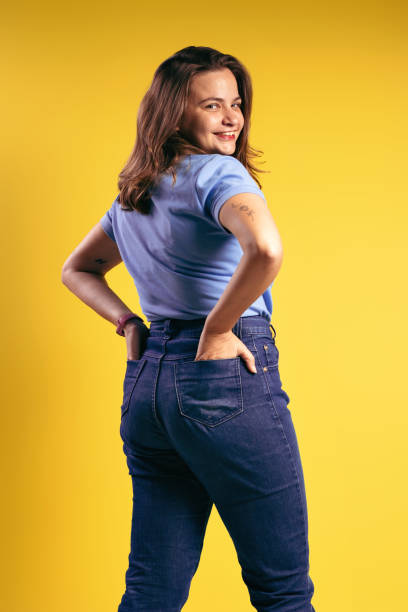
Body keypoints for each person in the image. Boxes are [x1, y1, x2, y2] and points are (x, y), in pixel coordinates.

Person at [61, 45, 316, 612]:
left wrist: (129, 323)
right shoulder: (218, 173)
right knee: (283, 590)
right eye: (212, 106)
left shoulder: (135, 192)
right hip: (224, 379)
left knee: (152, 588)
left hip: (150, 390)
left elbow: (76, 269)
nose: (232, 119)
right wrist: (221, 329)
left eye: (237, 104)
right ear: (175, 113)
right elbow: (266, 249)